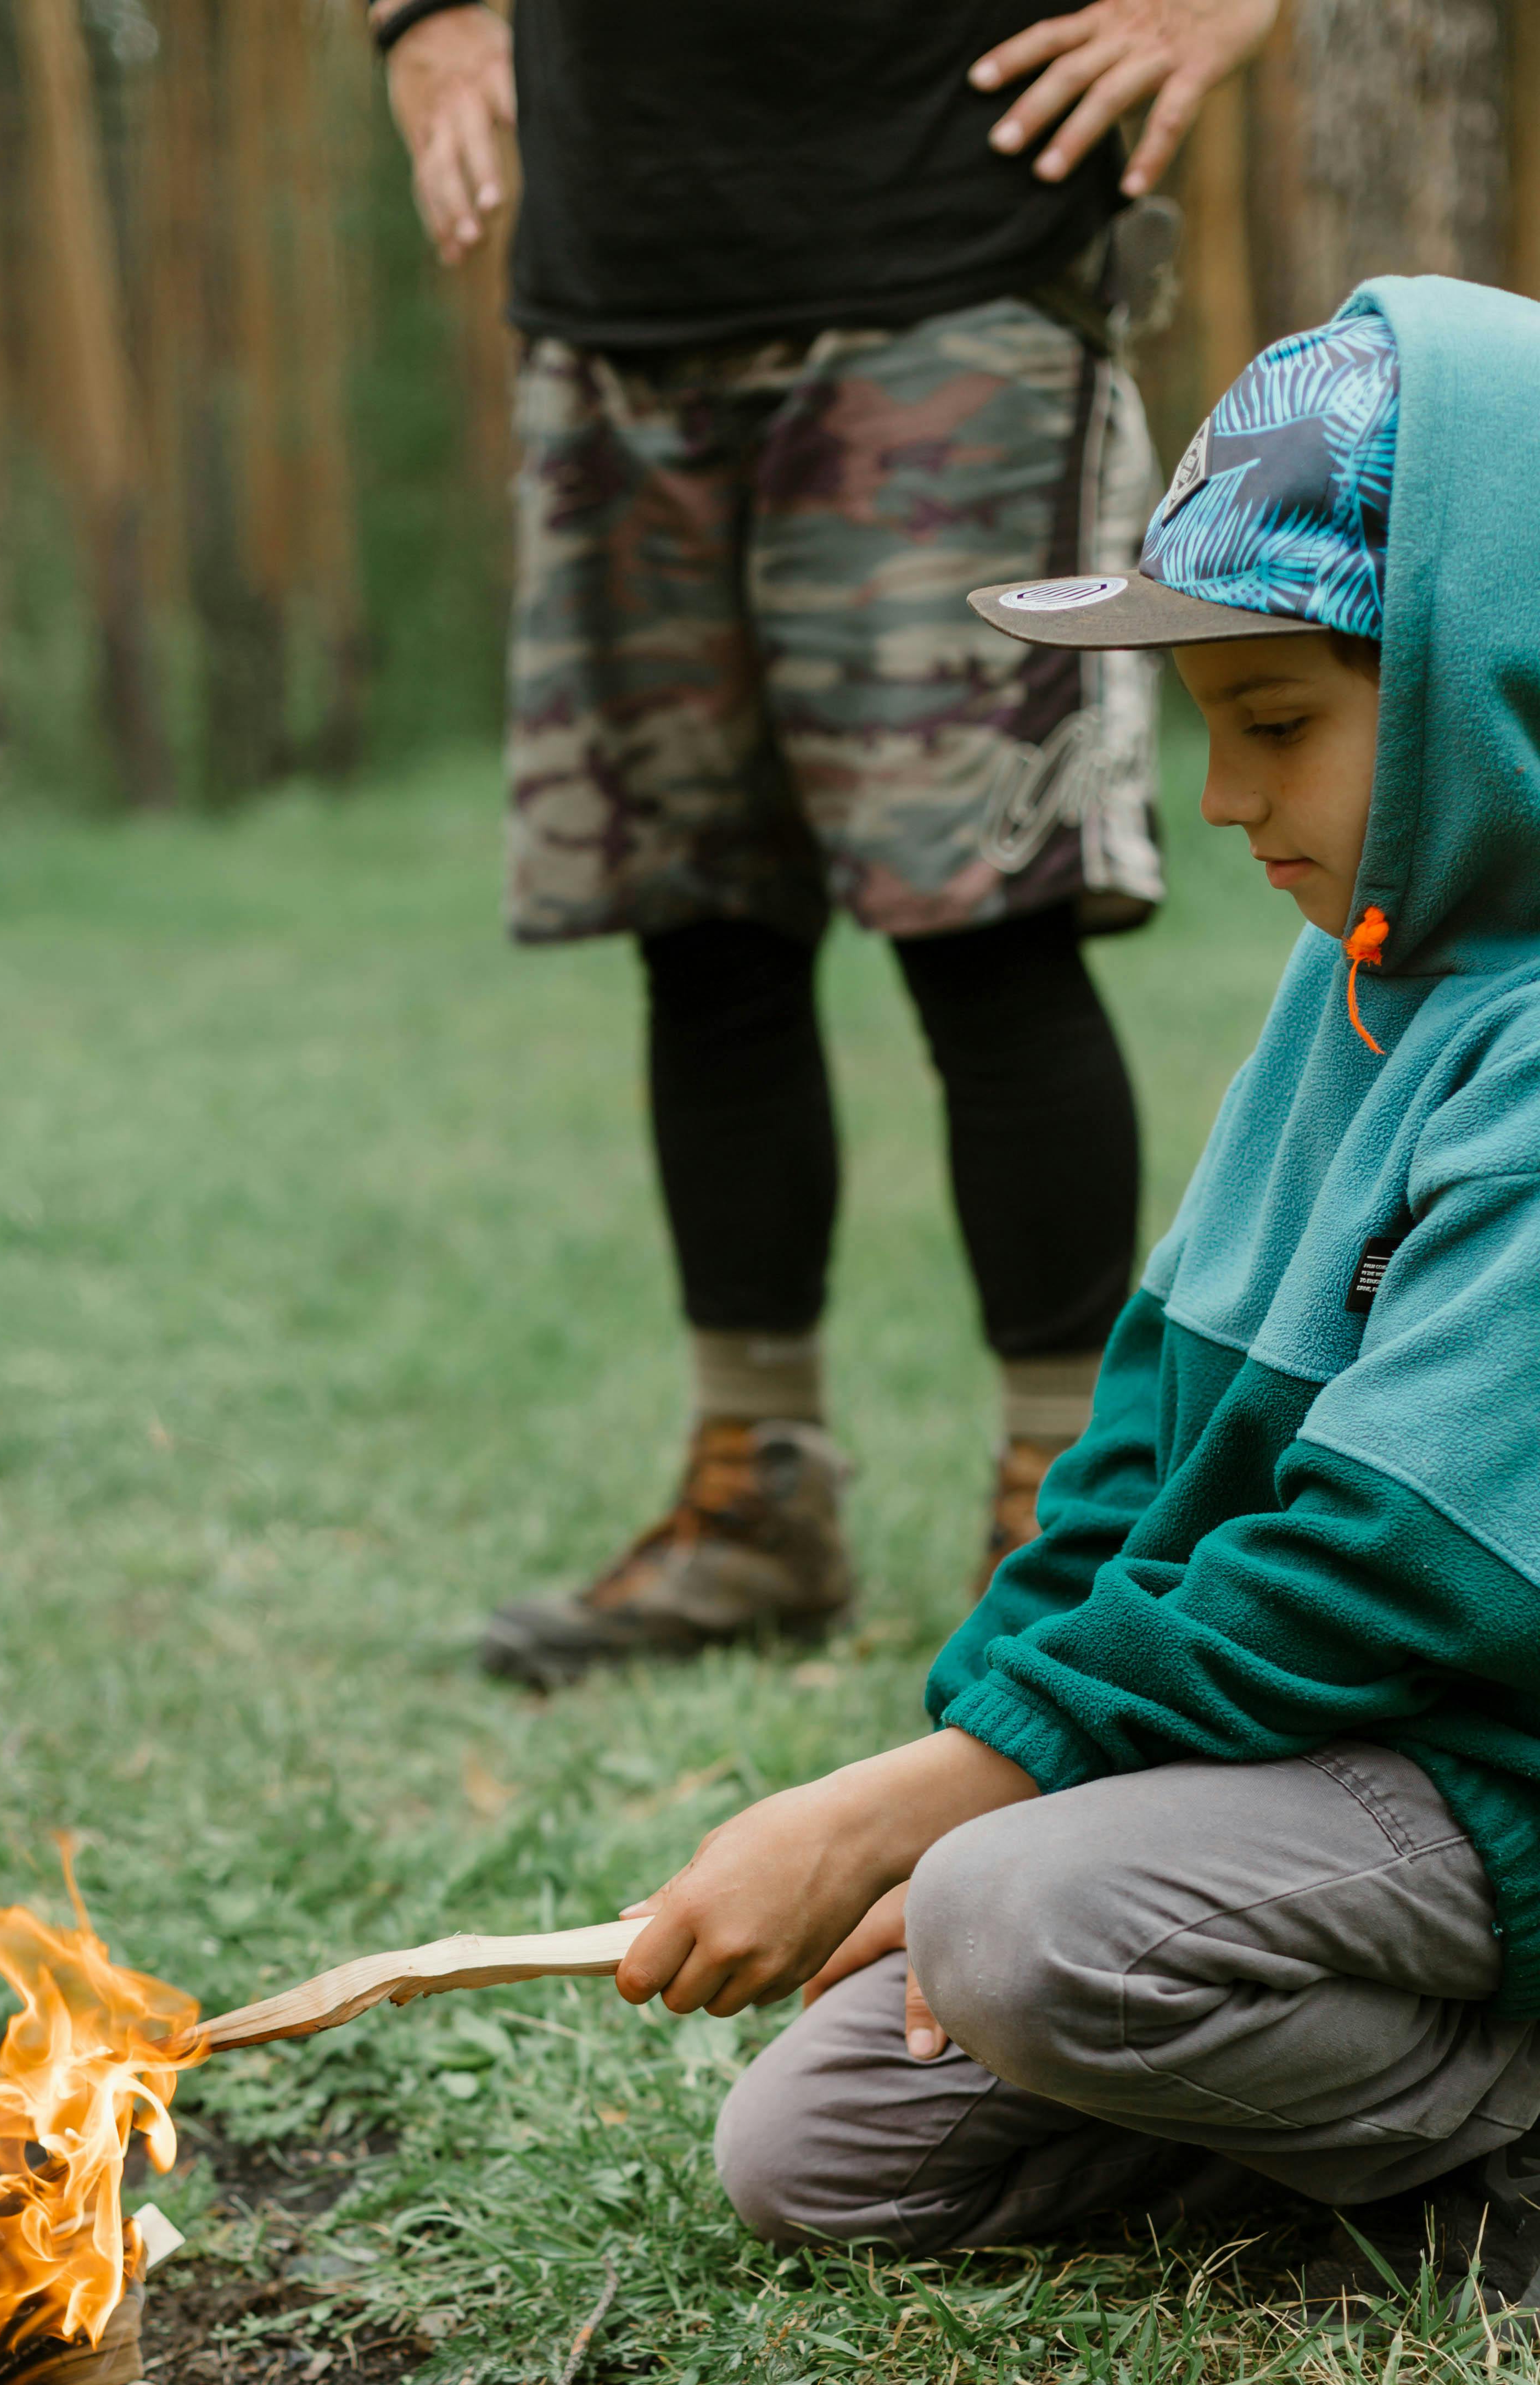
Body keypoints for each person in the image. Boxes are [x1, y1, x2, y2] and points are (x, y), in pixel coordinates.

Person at [612, 276, 1540, 2305]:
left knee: (1028, 1924)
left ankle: (1503, 2148)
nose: (1225, 801)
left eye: (1277, 725)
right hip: (1332, 1781)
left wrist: (938, 1809)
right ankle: (1334, 2123)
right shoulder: (1353, 990)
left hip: (1497, 1779)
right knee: (817, 2142)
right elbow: (1147, 1451)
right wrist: (978, 1769)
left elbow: (1405, 1568)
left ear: (1497, 680)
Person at [367, 0, 1279, 1686]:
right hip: (618, 295)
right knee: (698, 935)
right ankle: (755, 1498)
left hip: (952, 267)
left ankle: (1064, 1518)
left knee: (990, 930)